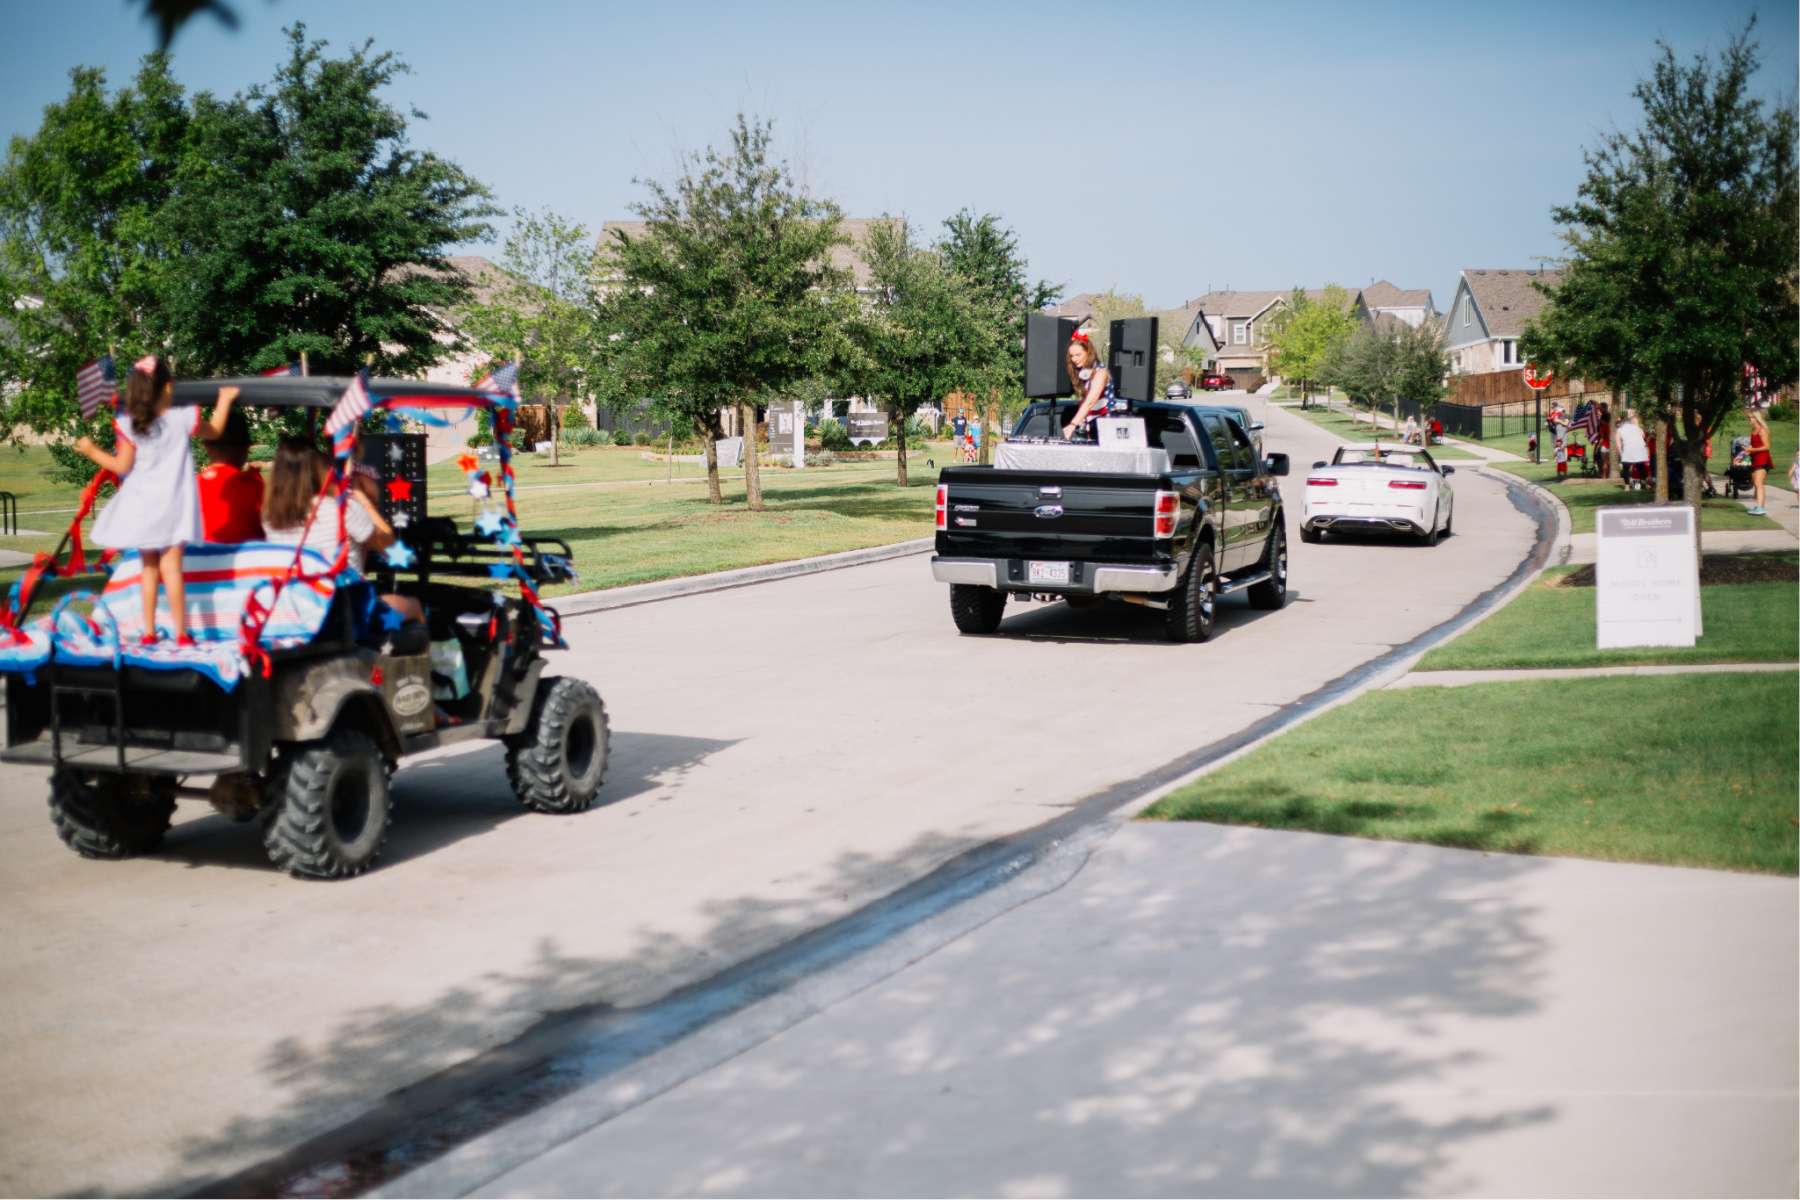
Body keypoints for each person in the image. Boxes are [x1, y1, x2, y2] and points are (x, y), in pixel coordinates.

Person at [75, 357, 239, 646]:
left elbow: (122, 466)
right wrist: (224, 399)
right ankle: (181, 633)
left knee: (148, 568)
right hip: (174, 505)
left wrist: (91, 450)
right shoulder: (182, 418)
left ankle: (149, 631)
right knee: (172, 569)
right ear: (166, 388)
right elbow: (214, 430)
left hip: (143, 508)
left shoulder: (130, 424)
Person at [261, 439, 424, 625]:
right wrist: (364, 501)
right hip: (342, 605)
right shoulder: (341, 509)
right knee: (414, 605)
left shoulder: (270, 517)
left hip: (292, 603)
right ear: (317, 473)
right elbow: (390, 548)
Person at [198, 408, 265, 542]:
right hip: (246, 560)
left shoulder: (189, 486)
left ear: (206, 446)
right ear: (245, 449)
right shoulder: (254, 486)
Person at [1745, 408, 1773, 515]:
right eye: (1748, 418)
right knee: (1756, 484)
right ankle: (1759, 506)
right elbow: (1754, 445)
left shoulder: (1762, 430)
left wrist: (1752, 450)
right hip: (1755, 458)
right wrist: (1748, 451)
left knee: (1758, 483)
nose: (1749, 420)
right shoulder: (1753, 431)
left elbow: (1767, 446)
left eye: (1751, 418)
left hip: (1763, 459)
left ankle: (1761, 508)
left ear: (1757, 418)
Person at [1616, 408, 1650, 490]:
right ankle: (1644, 483)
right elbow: (1643, 435)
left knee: (1626, 468)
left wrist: (1620, 452)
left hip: (1630, 449)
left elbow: (1618, 442)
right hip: (1638, 448)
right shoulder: (1636, 427)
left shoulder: (1620, 429)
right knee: (1640, 466)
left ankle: (1627, 486)